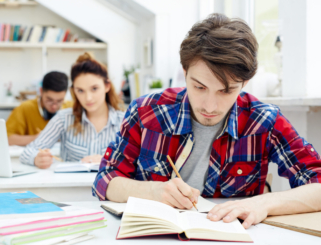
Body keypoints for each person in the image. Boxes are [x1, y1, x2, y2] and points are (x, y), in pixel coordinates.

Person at [92, 13, 321, 229]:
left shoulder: (264, 120)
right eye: (199, 87)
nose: (210, 107)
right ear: (184, 72)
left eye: (226, 91)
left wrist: (264, 203)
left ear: (244, 84)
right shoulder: (146, 112)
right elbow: (105, 180)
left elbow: (317, 183)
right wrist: (153, 191)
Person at [20, 52, 125, 169]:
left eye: (94, 89)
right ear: (73, 91)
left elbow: (140, 163)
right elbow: (28, 152)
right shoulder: (63, 118)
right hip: (70, 186)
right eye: (80, 90)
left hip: (109, 187)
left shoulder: (125, 122)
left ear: (107, 86)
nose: (88, 98)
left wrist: (110, 161)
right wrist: (36, 158)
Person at [6, 71, 72, 146]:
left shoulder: (72, 108)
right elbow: (7, 138)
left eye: (59, 101)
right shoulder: (25, 108)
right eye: (49, 100)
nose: (54, 106)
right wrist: (39, 137)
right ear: (41, 91)